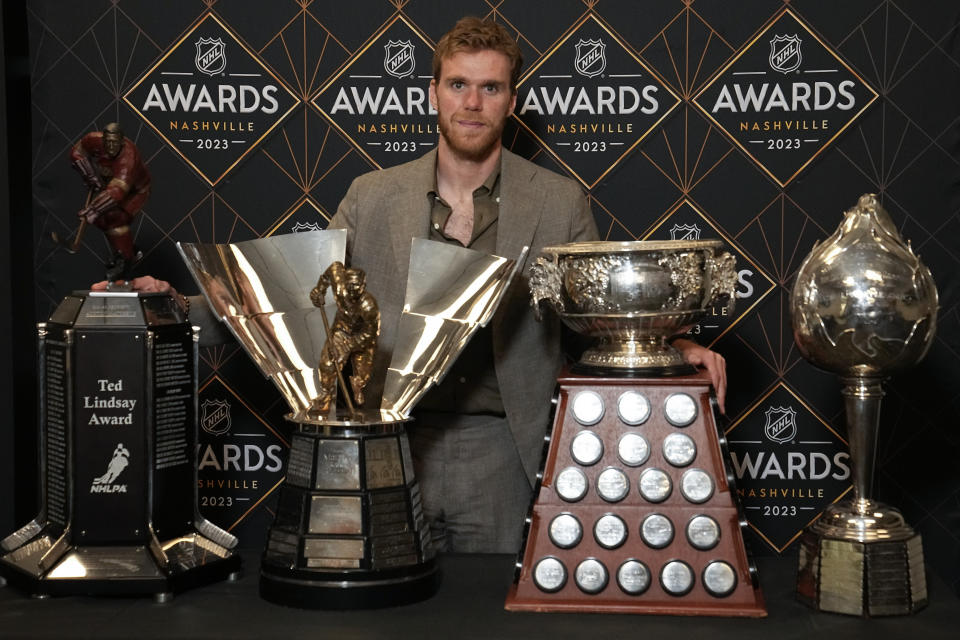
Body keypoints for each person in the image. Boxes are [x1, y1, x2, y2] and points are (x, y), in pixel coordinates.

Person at [98, 17, 726, 554]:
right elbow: (298, 300)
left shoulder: (558, 202)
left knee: (492, 619)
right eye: (458, 85)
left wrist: (669, 353)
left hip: (505, 450)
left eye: (490, 88)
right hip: (389, 441)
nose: (472, 103)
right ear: (433, 93)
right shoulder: (372, 197)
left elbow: (591, 315)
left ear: (511, 100)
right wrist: (169, 308)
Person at [70, 122, 151, 278]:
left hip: (135, 191)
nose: (111, 146)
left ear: (122, 142)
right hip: (112, 187)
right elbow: (75, 152)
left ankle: (126, 259)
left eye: (115, 143)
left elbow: (117, 192)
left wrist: (92, 210)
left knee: (115, 218)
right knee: (103, 221)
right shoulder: (93, 139)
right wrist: (89, 175)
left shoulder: (129, 156)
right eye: (108, 142)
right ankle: (126, 251)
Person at [309, 261, 379, 412]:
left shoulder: (369, 306)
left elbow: (370, 333)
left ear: (363, 285)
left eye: (357, 289)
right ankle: (326, 394)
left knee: (364, 372)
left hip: (363, 337)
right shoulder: (340, 286)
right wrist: (319, 291)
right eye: (349, 289)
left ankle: (358, 385)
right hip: (342, 329)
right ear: (344, 283)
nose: (352, 294)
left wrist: (347, 346)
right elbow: (333, 269)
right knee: (327, 364)